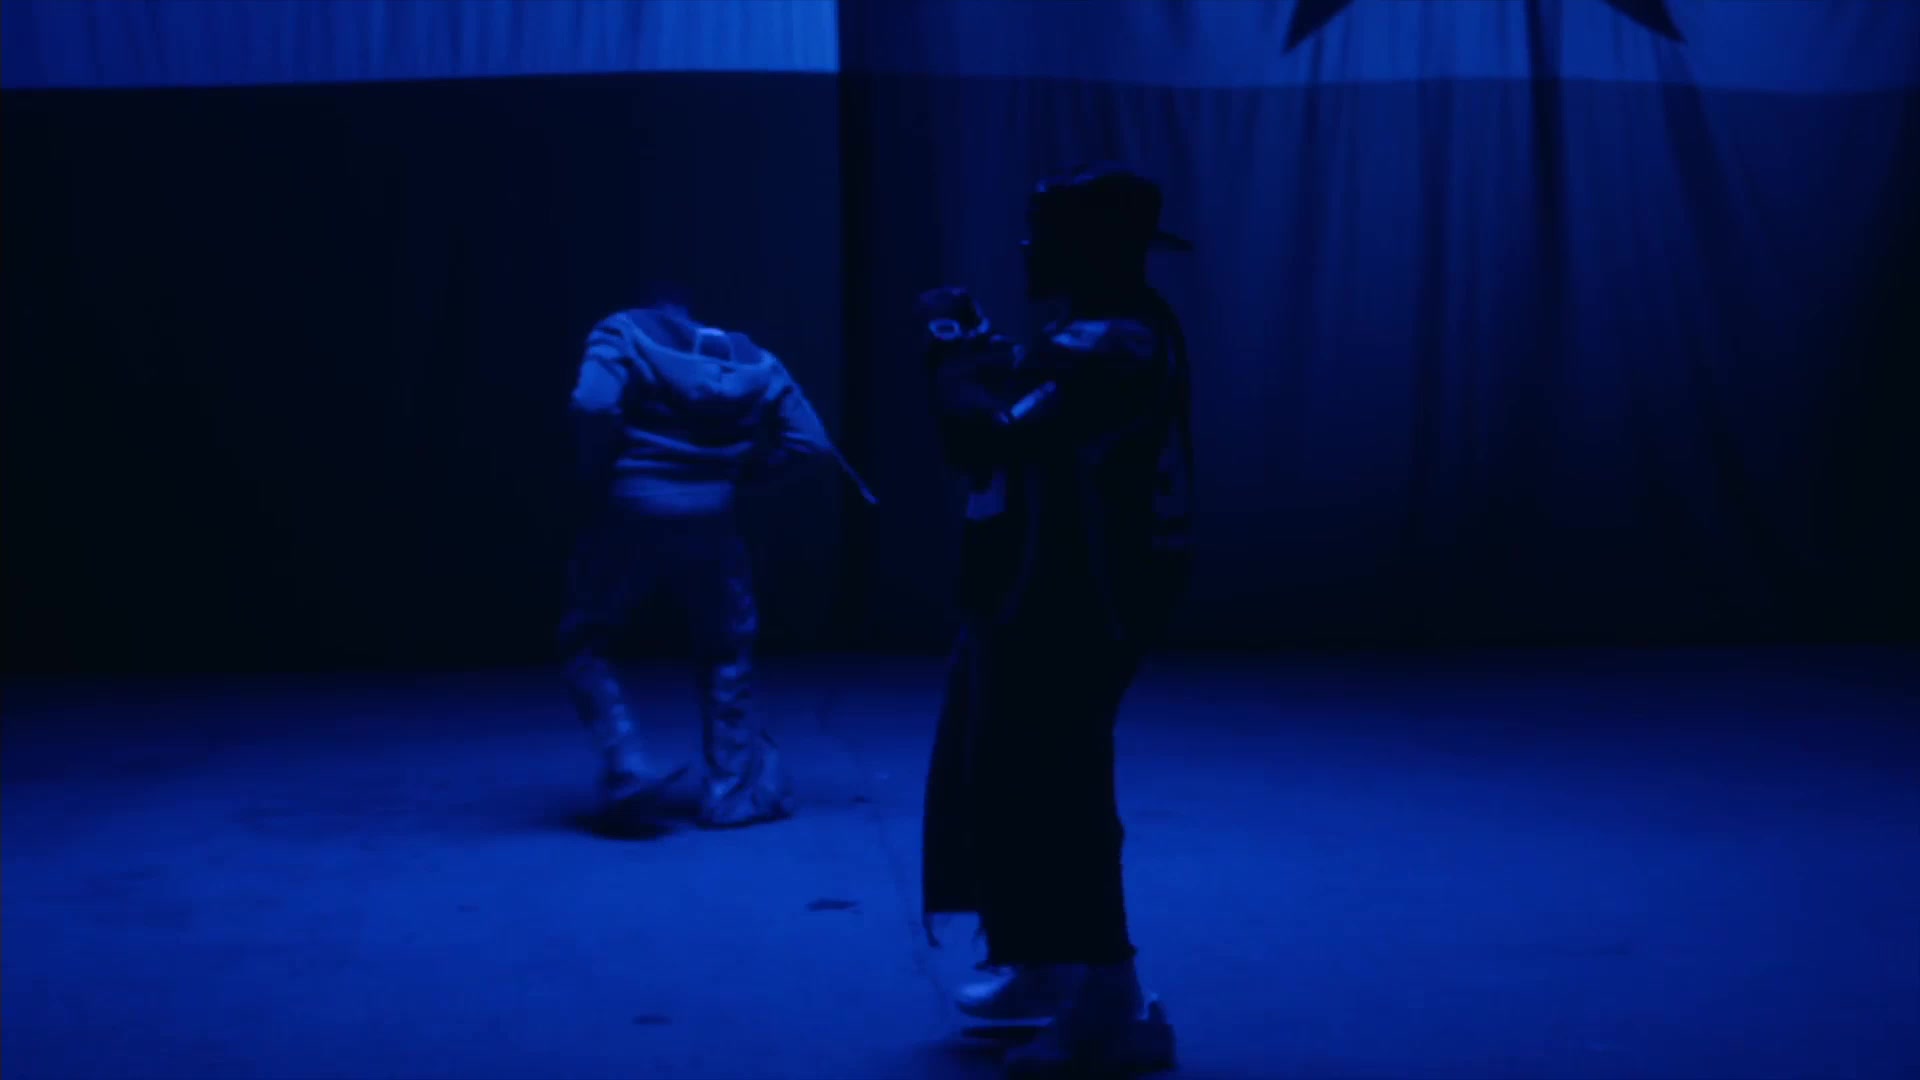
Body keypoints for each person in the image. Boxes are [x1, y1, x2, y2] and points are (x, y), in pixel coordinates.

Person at [917, 165, 1195, 1075]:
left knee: (1060, 791)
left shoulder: (1115, 342)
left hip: (1075, 599)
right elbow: (1028, 430)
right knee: (1004, 777)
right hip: (1034, 589)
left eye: (1045, 233)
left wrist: (952, 361)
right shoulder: (1100, 332)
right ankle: (1047, 963)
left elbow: (987, 440)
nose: (1028, 248)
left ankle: (1113, 1004)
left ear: (1092, 248)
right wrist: (988, 367)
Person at [559, 291, 864, 829]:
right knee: (726, 650)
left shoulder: (623, 332)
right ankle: (731, 795)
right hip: (712, 515)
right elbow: (813, 444)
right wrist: (744, 474)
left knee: (586, 639)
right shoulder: (759, 361)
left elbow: (593, 404)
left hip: (631, 506)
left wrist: (600, 468)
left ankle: (627, 767)